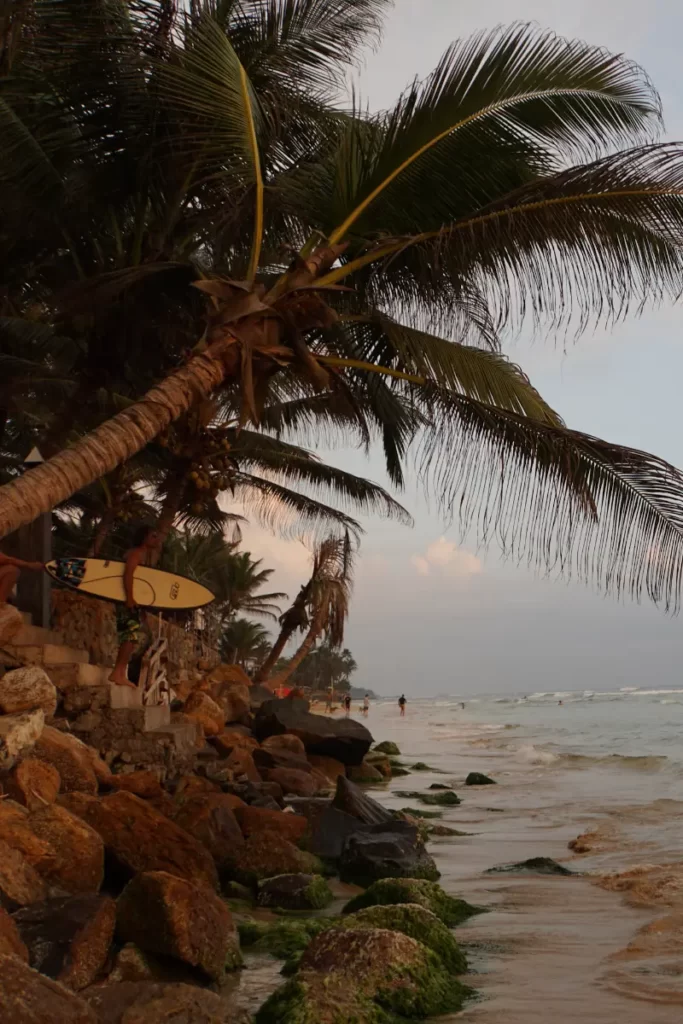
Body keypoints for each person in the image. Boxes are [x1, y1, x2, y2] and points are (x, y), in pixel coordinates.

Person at [109, 527, 162, 688]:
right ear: (144, 537)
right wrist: (130, 598)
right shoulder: (136, 553)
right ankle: (117, 673)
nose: (156, 538)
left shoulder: (142, 555)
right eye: (153, 535)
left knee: (131, 637)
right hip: (127, 600)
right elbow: (128, 574)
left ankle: (118, 673)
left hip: (132, 601)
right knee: (129, 636)